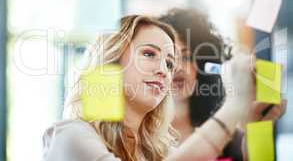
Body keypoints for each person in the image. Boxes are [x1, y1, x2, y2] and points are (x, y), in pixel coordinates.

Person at [42, 14, 257, 161]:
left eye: (169, 63)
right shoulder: (69, 136)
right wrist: (234, 106)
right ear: (111, 61)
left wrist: (253, 122)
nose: (165, 71)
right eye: (148, 54)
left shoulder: (162, 152)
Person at [158, 8, 287, 160]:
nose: (178, 67)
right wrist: (236, 105)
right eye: (168, 59)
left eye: (186, 57)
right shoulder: (134, 137)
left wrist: (256, 128)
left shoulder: (230, 134)